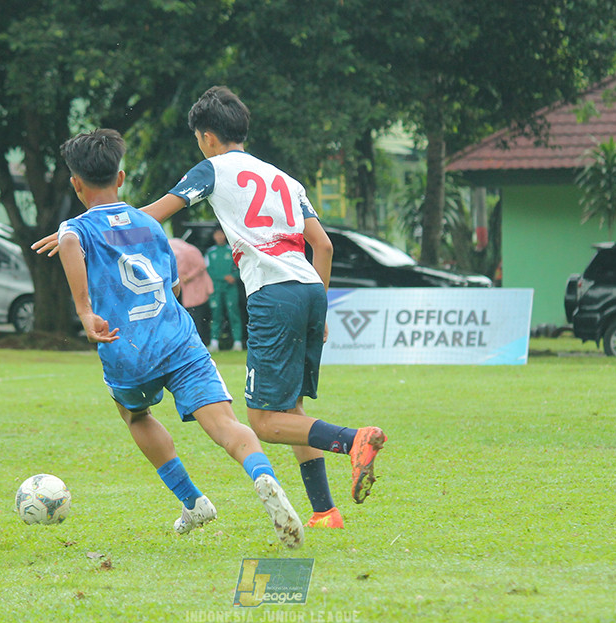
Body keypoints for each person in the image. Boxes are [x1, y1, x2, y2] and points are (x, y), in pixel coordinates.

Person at [33, 87, 386, 530]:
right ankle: (324, 511)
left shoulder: (212, 169)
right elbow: (324, 245)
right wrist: (322, 307)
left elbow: (150, 215)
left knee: (265, 421)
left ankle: (352, 440)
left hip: (272, 292)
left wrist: (86, 231)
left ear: (207, 137)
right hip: (312, 288)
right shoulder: (285, 179)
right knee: (291, 405)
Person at [50, 128, 303, 548]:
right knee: (226, 424)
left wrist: (84, 311)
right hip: (178, 341)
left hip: (126, 347)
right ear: (121, 178)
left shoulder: (75, 229)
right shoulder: (150, 224)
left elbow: (71, 241)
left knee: (136, 416)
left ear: (76, 184)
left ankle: (193, 501)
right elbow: (172, 285)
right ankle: (262, 475)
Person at [168, 237, 213, 344]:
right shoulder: (178, 253)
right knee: (191, 313)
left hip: (196, 288)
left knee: (197, 315)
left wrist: (188, 276)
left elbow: (201, 265)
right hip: (186, 290)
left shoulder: (190, 252)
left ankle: (201, 340)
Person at [205, 227, 243, 352]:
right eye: (217, 235)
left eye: (221, 234)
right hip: (216, 288)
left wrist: (234, 276)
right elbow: (208, 271)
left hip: (231, 288)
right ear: (214, 236)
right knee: (216, 314)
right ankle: (214, 342)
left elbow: (240, 268)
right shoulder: (210, 253)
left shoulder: (232, 250)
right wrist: (222, 277)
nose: (219, 237)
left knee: (234, 313)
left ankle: (237, 342)